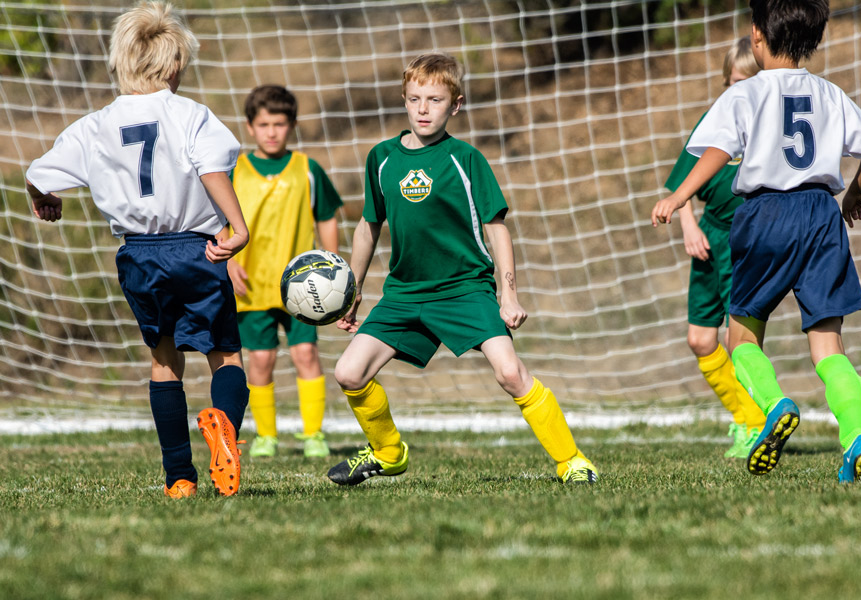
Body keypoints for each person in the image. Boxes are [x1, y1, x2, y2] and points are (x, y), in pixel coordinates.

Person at [327, 52, 598, 486]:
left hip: (464, 289)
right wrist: (353, 288)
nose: (422, 109)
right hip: (405, 293)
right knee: (348, 372)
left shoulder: (466, 159)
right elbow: (367, 226)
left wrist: (507, 293)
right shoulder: (381, 158)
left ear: (455, 105)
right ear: (403, 99)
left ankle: (572, 461)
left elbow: (497, 229)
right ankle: (389, 453)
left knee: (510, 372)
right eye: (414, 98)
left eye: (434, 100)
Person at [651, 0, 861, 482]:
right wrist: (856, 192)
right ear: (813, 41)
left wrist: (679, 197)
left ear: (757, 36)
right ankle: (858, 433)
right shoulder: (829, 93)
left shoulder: (745, 94)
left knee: (740, 337)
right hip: (822, 214)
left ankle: (775, 405)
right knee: (829, 346)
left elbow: (718, 150)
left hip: (765, 214)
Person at [26, 1, 251, 498]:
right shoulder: (191, 114)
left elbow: (38, 173)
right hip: (197, 249)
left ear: (120, 61)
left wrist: (45, 199)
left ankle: (179, 480)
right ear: (175, 65)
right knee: (225, 355)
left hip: (138, 256)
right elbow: (212, 166)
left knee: (164, 359)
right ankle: (224, 430)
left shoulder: (96, 124)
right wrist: (236, 227)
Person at [227, 85, 343, 459]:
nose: (272, 131)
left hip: (304, 288)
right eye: (264, 124)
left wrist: (333, 266)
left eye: (279, 123)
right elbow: (217, 221)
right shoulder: (235, 171)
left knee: (305, 353)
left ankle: (313, 435)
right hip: (251, 284)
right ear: (250, 127)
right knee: (260, 359)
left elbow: (326, 217)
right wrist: (228, 263)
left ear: (292, 125)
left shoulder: (307, 170)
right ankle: (266, 436)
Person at [665, 36, 767, 459]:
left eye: (745, 84)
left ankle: (755, 424)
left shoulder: (769, 127)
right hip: (711, 236)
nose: (735, 93)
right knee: (700, 339)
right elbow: (679, 182)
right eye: (730, 84)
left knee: (738, 339)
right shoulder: (716, 119)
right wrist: (688, 223)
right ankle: (745, 417)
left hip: (748, 241)